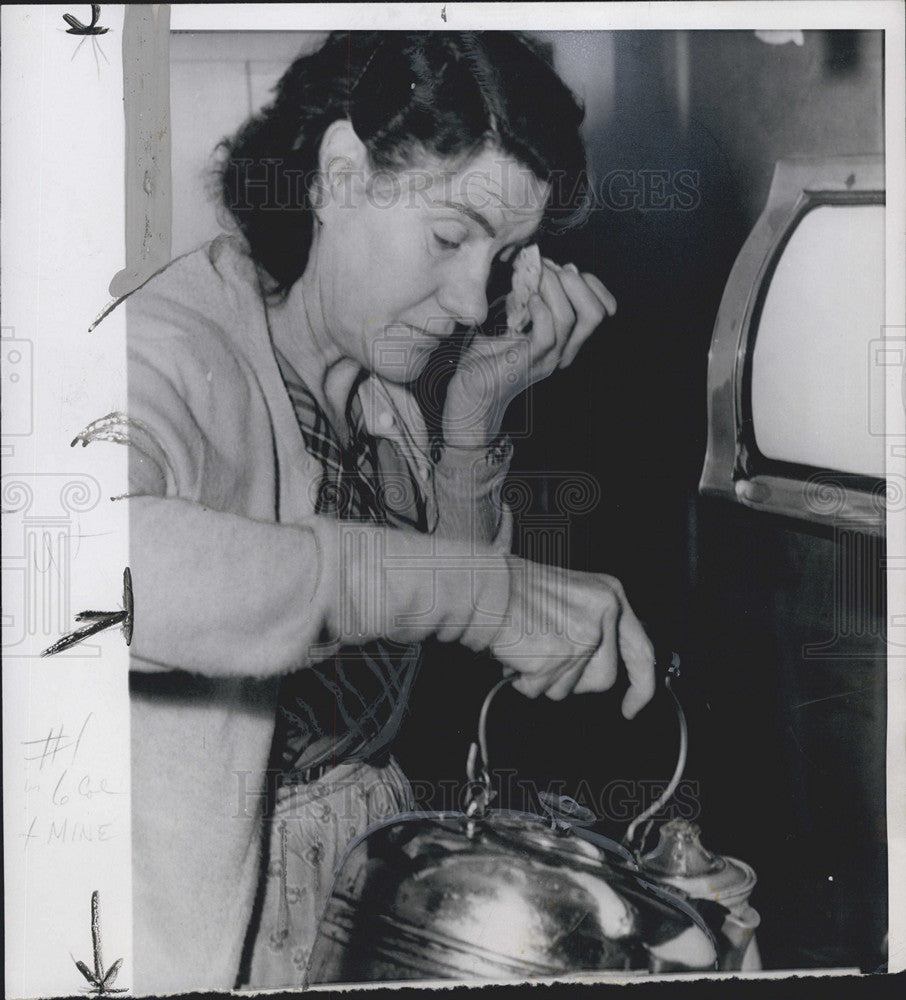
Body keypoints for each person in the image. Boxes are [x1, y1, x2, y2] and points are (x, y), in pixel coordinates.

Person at [95, 30, 655, 993]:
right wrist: (483, 593)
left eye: (508, 255)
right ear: (340, 176)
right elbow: (86, 570)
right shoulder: (164, 346)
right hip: (215, 927)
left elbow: (421, 648)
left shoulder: (381, 394)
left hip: (364, 872)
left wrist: (476, 416)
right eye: (449, 238)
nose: (476, 297)